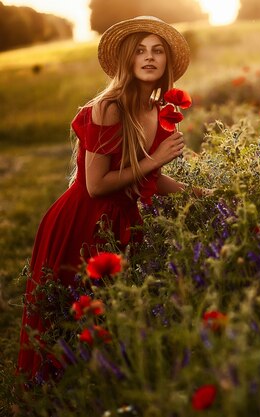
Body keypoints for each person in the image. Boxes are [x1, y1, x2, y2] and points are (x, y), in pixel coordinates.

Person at [17, 16, 194, 381]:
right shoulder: (110, 107)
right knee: (68, 318)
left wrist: (202, 195)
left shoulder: (156, 111)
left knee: (108, 317)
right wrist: (156, 159)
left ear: (166, 64)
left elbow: (150, 178)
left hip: (120, 221)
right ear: (126, 60)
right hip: (82, 220)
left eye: (157, 51)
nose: (149, 57)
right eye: (139, 50)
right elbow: (97, 185)